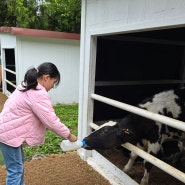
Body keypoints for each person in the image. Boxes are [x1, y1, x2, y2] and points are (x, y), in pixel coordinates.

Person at [0, 62, 77, 185]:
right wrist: (69, 135)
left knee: (18, 167)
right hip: (9, 134)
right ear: (46, 77)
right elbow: (51, 121)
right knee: (15, 170)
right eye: (54, 82)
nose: (52, 86)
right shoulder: (38, 93)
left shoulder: (26, 85)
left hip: (7, 131)